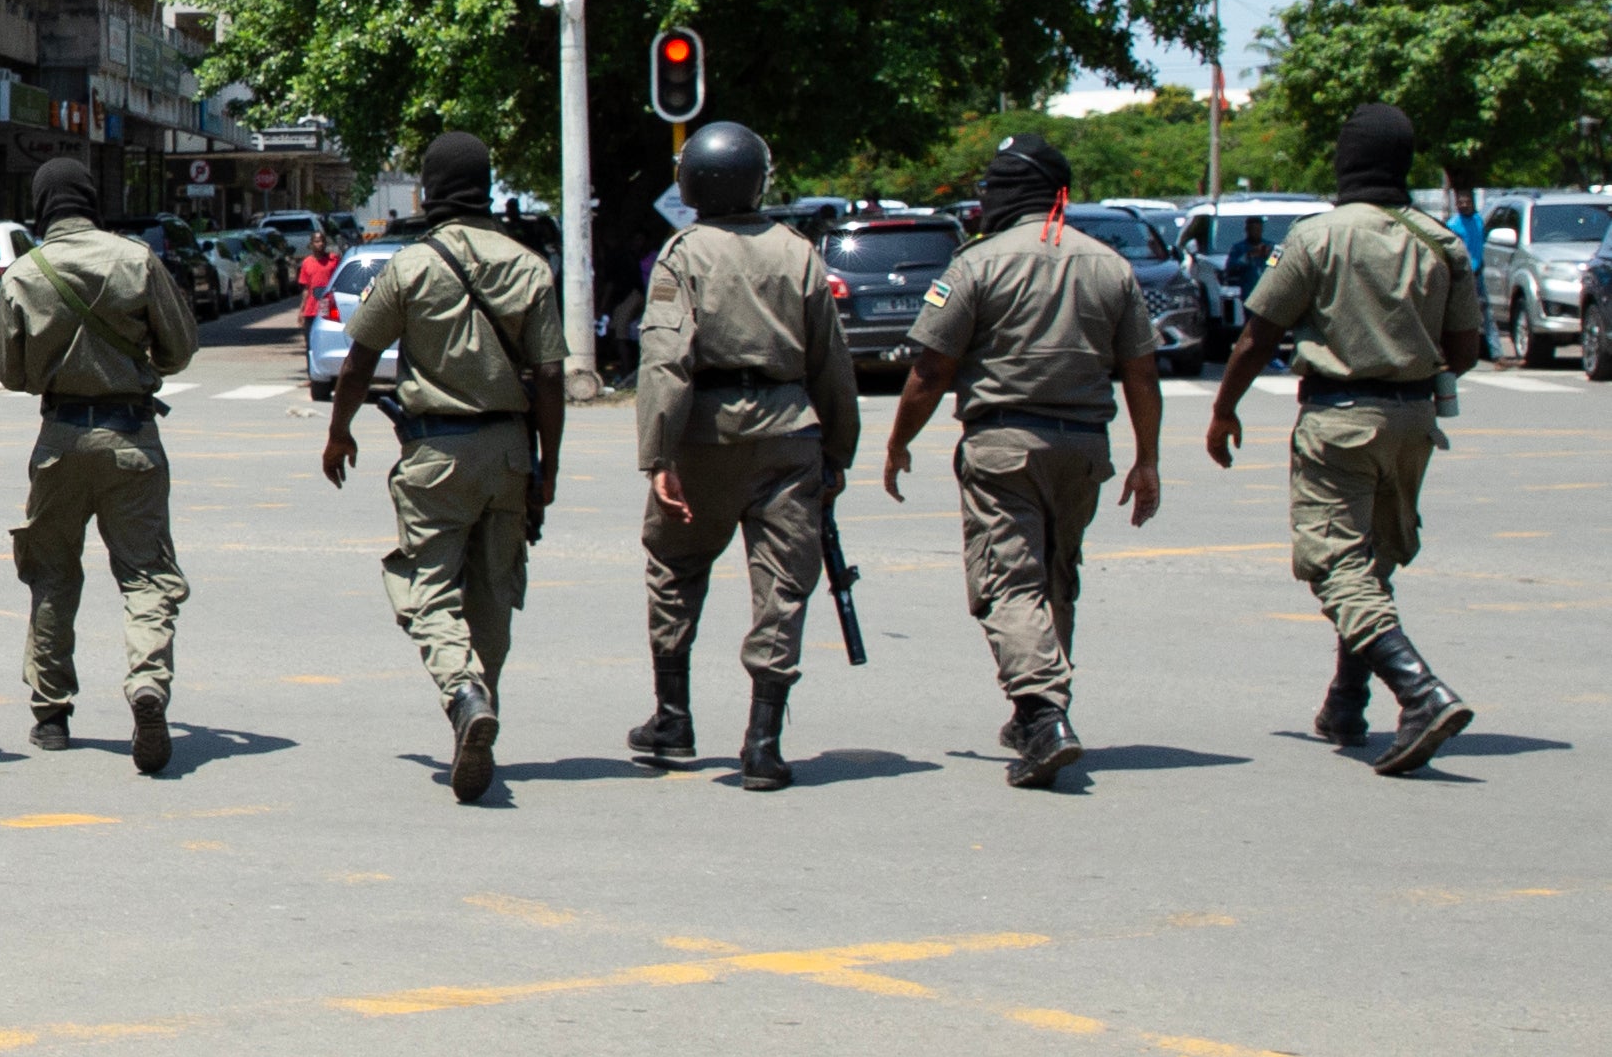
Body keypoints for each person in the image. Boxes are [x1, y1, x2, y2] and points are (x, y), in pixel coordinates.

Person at [1205, 103, 1483, 775]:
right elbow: (1465, 348)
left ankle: (1418, 691)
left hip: (1338, 418)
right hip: (1413, 421)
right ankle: (1346, 699)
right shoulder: (1438, 239)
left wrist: (1223, 409)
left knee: (1333, 564)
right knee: (1371, 562)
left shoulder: (1315, 237)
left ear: (1345, 162)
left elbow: (1257, 334)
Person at [879, 132, 1160, 790]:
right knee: (1055, 576)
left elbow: (930, 368)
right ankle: (1040, 708)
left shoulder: (976, 265)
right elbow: (1141, 373)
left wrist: (898, 441)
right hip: (1084, 447)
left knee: (1009, 582)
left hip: (1003, 444)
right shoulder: (1108, 265)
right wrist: (1146, 460)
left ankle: (1040, 713)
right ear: (1060, 193)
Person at [318, 133, 566, 805]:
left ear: (426, 192)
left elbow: (358, 359)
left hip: (434, 452)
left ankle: (461, 689)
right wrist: (546, 467)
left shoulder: (407, 268)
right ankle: (478, 697)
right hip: (510, 450)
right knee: (493, 588)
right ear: (486, 189)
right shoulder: (528, 265)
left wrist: (338, 433)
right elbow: (549, 376)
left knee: (425, 585)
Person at [628, 122, 859, 791]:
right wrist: (836, 451)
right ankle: (763, 739)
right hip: (790, 434)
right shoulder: (798, 252)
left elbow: (665, 361)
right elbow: (831, 364)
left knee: (674, 569)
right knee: (782, 585)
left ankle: (672, 718)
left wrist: (658, 453)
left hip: (702, 435)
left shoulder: (683, 253)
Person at [0, 154, 203, 772]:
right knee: (145, 576)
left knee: (52, 573)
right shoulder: (136, 260)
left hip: (60, 437)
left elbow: (11, 374)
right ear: (91, 200)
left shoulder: (24, 274)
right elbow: (180, 349)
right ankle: (147, 686)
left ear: (42, 206)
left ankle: (51, 712)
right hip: (132, 435)